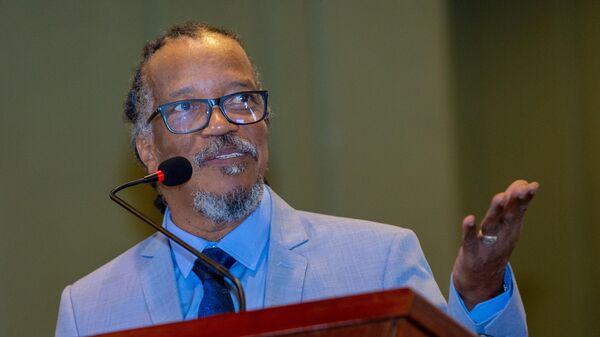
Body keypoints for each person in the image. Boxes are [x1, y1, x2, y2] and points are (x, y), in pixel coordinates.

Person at [55, 22, 538, 337]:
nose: (222, 124)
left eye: (240, 99)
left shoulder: (379, 261)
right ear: (147, 149)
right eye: (187, 108)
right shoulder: (89, 308)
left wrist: (480, 290)